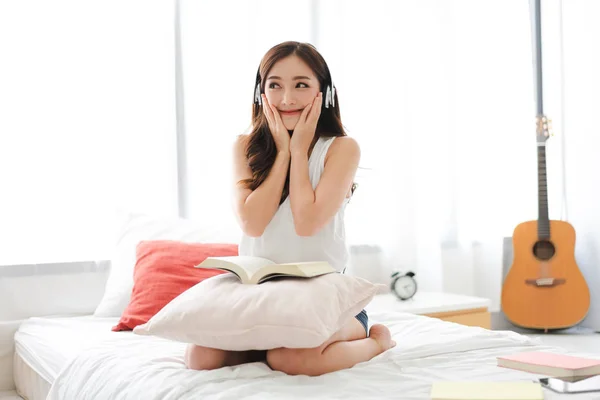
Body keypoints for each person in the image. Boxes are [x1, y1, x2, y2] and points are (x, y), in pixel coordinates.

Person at [185, 41, 395, 376]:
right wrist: (282, 152)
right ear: (260, 93)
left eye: (301, 85)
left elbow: (307, 223)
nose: (287, 99)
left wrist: (299, 151)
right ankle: (270, 343)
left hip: (324, 302)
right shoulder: (244, 147)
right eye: (275, 86)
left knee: (291, 360)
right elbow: (252, 224)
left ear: (323, 93)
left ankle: (376, 342)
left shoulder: (341, 149)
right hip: (262, 301)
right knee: (200, 359)